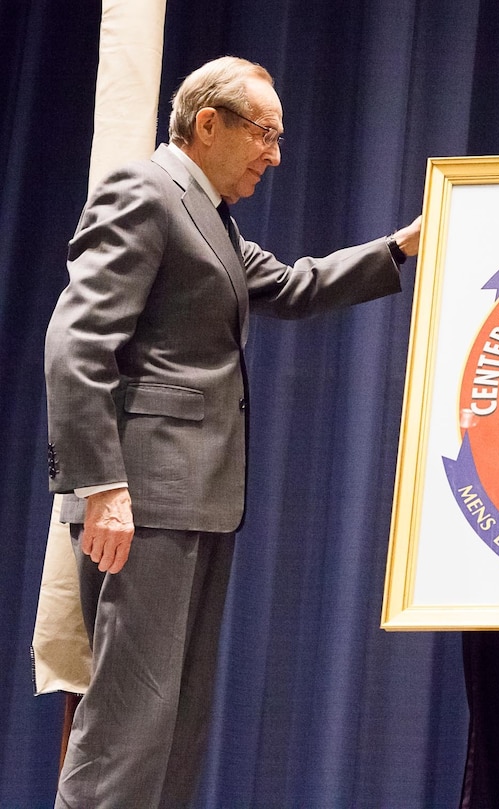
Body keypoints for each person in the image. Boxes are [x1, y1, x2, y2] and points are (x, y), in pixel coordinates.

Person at [44, 55, 421, 807]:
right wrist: (106, 486)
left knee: (176, 722)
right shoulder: (144, 191)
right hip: (142, 502)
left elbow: (293, 285)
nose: (275, 156)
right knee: (128, 723)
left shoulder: (209, 213)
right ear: (208, 123)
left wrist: (405, 245)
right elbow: (75, 343)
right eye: (266, 134)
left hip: (199, 498)